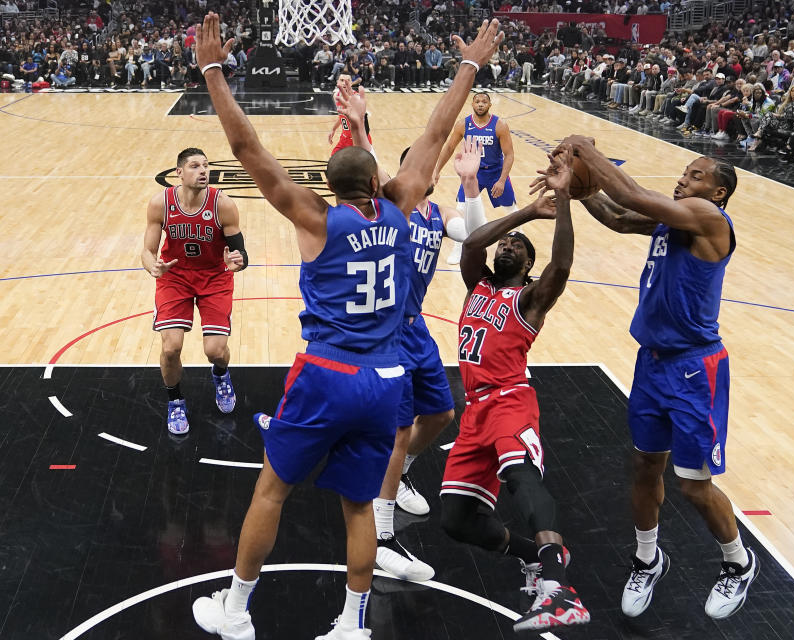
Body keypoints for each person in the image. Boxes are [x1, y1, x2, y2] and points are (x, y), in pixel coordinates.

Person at [188, 12, 503, 640]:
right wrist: (468, 66)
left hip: (329, 373)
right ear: (379, 183)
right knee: (359, 503)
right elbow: (436, 131)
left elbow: (248, 150)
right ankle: (353, 625)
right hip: (387, 379)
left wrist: (213, 71)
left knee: (272, 491)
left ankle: (236, 612)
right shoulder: (403, 204)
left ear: (328, 188)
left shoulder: (318, 221)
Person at [554, 135, 758, 621]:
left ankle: (738, 562)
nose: (684, 178)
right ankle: (648, 558)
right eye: (685, 172)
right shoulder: (673, 220)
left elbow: (632, 197)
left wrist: (583, 148)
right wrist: (575, 190)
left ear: (719, 193)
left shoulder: (710, 220)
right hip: (652, 363)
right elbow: (620, 216)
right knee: (644, 468)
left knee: (693, 486)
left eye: (696, 175)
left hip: (695, 368)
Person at [440, 147, 590, 632]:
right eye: (506, 245)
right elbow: (470, 245)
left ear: (528, 265)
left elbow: (561, 267)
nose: (507, 248)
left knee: (521, 476)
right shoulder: (477, 285)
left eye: (518, 248)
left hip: (509, 401)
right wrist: (524, 213)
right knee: (457, 520)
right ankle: (539, 557)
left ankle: (559, 588)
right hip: (474, 412)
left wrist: (562, 200)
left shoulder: (527, 299)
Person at [372, 138, 487, 582]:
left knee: (440, 412)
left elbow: (476, 236)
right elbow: (376, 167)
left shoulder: (440, 214)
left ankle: (399, 477)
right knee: (400, 429)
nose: (430, 170)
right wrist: (359, 125)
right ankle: (382, 539)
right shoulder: (389, 208)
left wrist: (471, 182)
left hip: (416, 326)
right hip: (387, 330)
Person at [140, 147, 247, 435]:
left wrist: (235, 262)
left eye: (206, 166)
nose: (203, 171)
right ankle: (175, 402)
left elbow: (242, 254)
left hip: (214, 277)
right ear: (179, 172)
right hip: (175, 277)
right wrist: (154, 267)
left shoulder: (222, 204)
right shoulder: (159, 203)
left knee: (215, 350)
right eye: (195, 166)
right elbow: (148, 251)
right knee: (171, 347)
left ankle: (221, 374)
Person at [432, 91, 518, 264]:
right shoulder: (463, 124)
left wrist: (501, 180)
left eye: (484, 101)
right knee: (461, 209)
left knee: (512, 209)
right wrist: (436, 170)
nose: (480, 104)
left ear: (489, 105)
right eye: (477, 101)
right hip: (473, 172)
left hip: (495, 171)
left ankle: (519, 242)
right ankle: (459, 249)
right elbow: (449, 148)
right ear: (472, 104)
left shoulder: (499, 125)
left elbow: (509, 155)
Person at [328, 73, 372, 158]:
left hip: (358, 138)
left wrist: (362, 140)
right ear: (337, 82)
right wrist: (333, 129)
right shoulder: (336, 95)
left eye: (347, 81)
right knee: (333, 160)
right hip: (344, 138)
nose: (344, 83)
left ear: (351, 83)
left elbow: (365, 124)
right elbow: (341, 116)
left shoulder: (356, 98)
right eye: (342, 80)